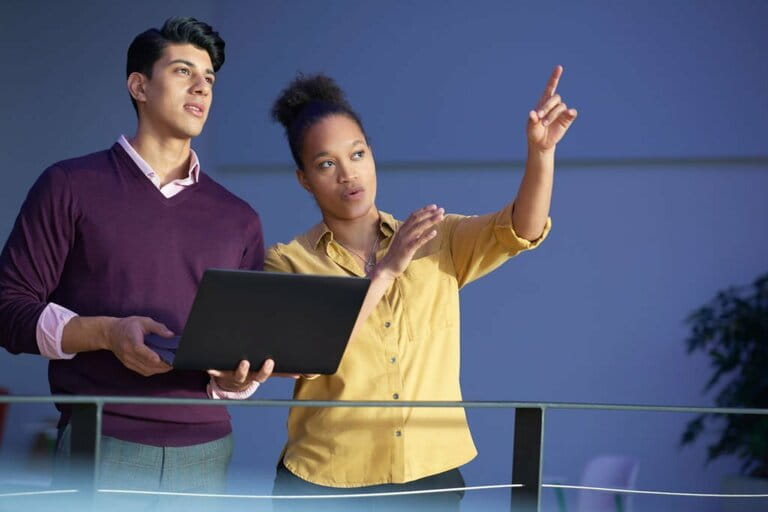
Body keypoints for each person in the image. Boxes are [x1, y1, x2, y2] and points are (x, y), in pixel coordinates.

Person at [258, 68, 577, 510]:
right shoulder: (288, 261)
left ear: (372, 155)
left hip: (430, 477)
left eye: (357, 154)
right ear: (304, 179)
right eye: (326, 164)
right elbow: (305, 356)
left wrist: (541, 153)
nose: (348, 174)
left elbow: (521, 229)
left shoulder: (436, 238)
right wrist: (386, 273)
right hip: (325, 483)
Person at [0, 17, 287, 497]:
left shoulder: (239, 219)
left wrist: (236, 378)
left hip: (208, 451)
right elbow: (8, 310)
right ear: (139, 86)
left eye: (209, 78)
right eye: (182, 71)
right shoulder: (68, 186)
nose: (202, 87)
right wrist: (108, 333)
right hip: (100, 442)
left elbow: (237, 350)